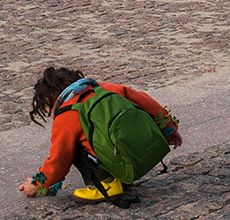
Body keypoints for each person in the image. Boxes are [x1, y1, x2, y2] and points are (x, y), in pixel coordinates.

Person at [20, 66, 182, 201]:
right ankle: (119, 178)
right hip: (144, 153)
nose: (50, 116)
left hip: (120, 161)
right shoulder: (104, 88)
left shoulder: (66, 116)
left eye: (47, 110)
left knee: (71, 145)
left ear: (50, 100)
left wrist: (38, 184)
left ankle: (107, 184)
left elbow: (59, 159)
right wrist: (169, 130)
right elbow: (147, 102)